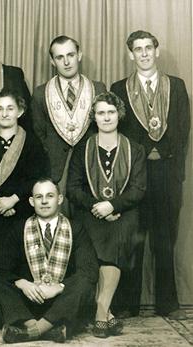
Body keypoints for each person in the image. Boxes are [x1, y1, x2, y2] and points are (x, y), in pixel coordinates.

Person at [110, 30, 190, 320]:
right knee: (134, 238)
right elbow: (117, 131)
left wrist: (168, 159)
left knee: (164, 238)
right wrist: (144, 154)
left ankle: (168, 303)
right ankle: (127, 303)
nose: (143, 54)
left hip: (167, 173)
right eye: (138, 49)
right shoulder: (119, 89)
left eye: (148, 48)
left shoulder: (177, 87)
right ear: (130, 55)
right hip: (135, 174)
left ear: (157, 51)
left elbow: (182, 131)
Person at [66, 92, 146, 337]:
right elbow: (72, 188)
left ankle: (101, 309)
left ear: (119, 115)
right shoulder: (83, 149)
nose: (106, 117)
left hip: (124, 213)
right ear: (94, 117)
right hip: (90, 212)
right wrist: (97, 206)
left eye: (111, 112)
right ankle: (105, 313)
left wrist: (112, 206)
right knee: (93, 237)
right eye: (101, 113)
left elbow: (138, 189)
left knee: (118, 235)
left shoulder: (136, 149)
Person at [0, 178, 98, 344]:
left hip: (61, 302)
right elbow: (1, 269)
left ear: (59, 199)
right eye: (39, 197)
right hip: (28, 301)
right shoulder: (19, 228)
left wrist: (59, 288)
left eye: (50, 196)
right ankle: (47, 330)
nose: (44, 201)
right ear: (31, 201)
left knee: (84, 284)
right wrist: (22, 283)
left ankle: (30, 332)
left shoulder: (76, 228)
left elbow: (88, 270)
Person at [0, 89, 49, 329]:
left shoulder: (31, 142)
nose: (5, 113)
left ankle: (10, 306)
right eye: (0, 108)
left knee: (13, 248)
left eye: (10, 108)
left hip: (20, 208)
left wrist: (13, 199)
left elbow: (36, 176)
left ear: (20, 111)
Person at [32, 35, 106, 214]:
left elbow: (102, 129)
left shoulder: (98, 88)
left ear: (79, 55)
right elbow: (38, 132)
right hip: (56, 170)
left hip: (89, 169)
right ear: (52, 61)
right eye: (59, 57)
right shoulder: (41, 93)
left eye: (70, 55)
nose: (66, 62)